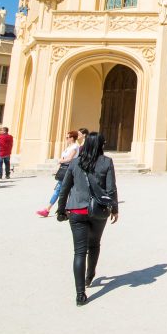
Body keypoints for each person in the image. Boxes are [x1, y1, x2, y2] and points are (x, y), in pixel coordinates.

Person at [56, 132, 119, 306]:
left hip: (76, 210)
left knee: (79, 252)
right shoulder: (106, 162)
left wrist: (61, 210)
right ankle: (90, 275)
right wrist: (114, 209)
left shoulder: (75, 162)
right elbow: (111, 189)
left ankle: (80, 294)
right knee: (95, 244)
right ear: (101, 145)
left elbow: (65, 188)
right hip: (98, 211)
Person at [38, 131, 80, 217]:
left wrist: (60, 161)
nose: (66, 139)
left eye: (67, 138)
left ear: (72, 138)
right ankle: (61, 209)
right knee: (61, 190)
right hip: (63, 169)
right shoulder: (69, 147)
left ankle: (48, 209)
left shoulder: (75, 147)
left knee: (60, 190)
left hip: (69, 170)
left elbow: (69, 159)